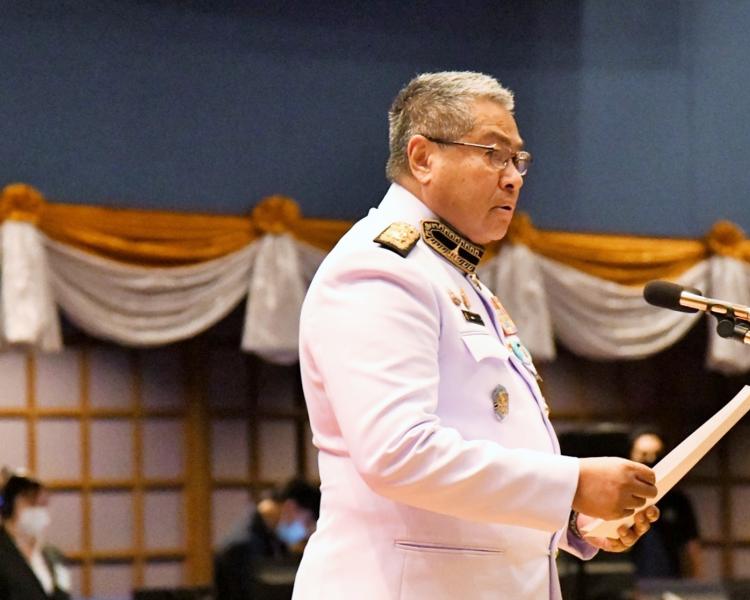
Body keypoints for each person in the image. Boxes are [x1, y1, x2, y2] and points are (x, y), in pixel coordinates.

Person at [294, 71, 660, 599]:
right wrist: (573, 484)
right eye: (493, 154)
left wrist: (574, 518)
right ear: (423, 158)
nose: (513, 178)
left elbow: (490, 444)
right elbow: (398, 453)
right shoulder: (381, 269)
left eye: (518, 160)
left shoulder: (451, 274)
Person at [214, 477, 320, 600]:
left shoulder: (273, 536)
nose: (306, 533)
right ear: (290, 507)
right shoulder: (240, 547)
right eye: (307, 522)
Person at [628, 427, 703, 579]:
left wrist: (696, 582)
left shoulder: (678, 500)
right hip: (630, 581)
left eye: (656, 455)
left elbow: (692, 545)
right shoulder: (623, 499)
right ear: (631, 456)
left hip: (672, 580)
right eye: (643, 454)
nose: (650, 460)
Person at [0, 468, 71, 600]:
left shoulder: (53, 555)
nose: (38, 511)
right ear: (9, 506)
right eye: (31, 503)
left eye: (42, 504)